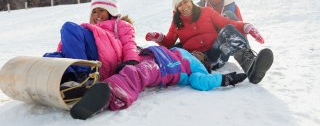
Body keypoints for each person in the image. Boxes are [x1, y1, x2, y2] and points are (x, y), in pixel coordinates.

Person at [69, 46, 247, 120]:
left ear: (205, 61)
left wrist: (224, 79)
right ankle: (90, 90)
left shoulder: (197, 67)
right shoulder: (179, 49)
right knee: (124, 68)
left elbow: (200, 81)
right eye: (196, 53)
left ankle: (112, 95)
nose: (196, 53)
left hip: (165, 67)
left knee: (138, 74)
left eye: (200, 54)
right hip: (150, 55)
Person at [145, 0, 273, 85]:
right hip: (200, 61)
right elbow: (169, 42)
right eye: (179, 5)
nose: (184, 6)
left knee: (228, 31)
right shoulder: (177, 23)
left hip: (216, 53)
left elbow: (226, 23)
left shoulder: (206, 12)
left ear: (191, 2)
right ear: (176, 9)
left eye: (185, 2)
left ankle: (251, 67)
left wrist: (246, 27)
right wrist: (159, 38)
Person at [43, 0, 140, 82]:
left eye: (101, 10)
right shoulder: (89, 30)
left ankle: (82, 75)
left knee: (68, 27)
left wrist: (131, 61)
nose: (97, 15)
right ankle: (65, 78)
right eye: (94, 12)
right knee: (51, 57)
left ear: (111, 12)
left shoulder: (121, 24)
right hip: (90, 60)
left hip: (105, 59)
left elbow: (129, 43)